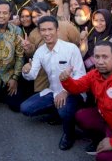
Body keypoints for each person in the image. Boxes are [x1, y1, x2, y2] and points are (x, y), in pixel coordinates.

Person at [21, 15, 86, 150]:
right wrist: (26, 70)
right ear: (39, 32)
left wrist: (65, 91)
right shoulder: (40, 51)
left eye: (50, 29)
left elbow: (81, 75)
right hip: (53, 91)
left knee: (64, 111)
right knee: (25, 108)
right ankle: (58, 111)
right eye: (43, 30)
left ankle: (69, 134)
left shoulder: (71, 49)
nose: (47, 33)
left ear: (57, 30)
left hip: (74, 91)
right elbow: (32, 74)